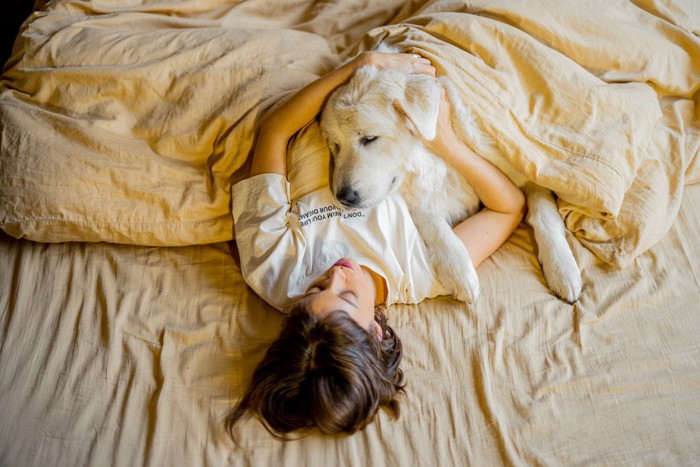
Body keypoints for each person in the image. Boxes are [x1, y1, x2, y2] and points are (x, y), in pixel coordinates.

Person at [226, 50, 525, 441]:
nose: (335, 275)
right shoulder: (419, 271)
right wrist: (444, 139)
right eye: (346, 297)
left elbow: (275, 132)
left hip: (345, 78)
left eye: (313, 290)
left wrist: (360, 65)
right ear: (377, 332)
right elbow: (508, 207)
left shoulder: (271, 265)